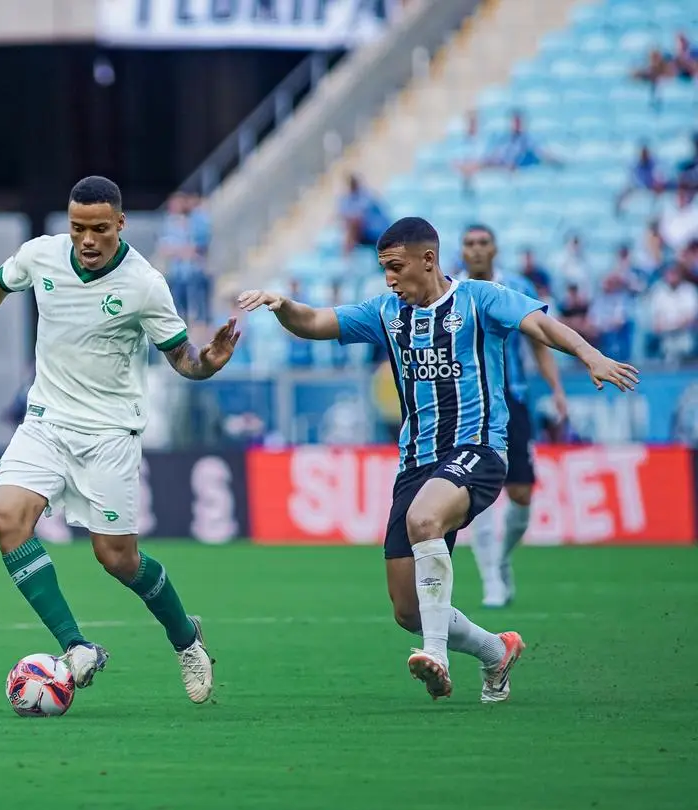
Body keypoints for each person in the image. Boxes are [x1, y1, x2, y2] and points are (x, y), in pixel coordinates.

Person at [237, 217, 638, 703]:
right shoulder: (387, 312)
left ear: (428, 260)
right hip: (416, 463)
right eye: (383, 268)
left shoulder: (479, 298)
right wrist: (283, 306)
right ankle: (495, 650)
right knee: (408, 609)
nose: (389, 278)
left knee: (424, 518)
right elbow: (317, 323)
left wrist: (589, 354)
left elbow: (540, 325)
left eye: (395, 267)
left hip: (479, 448)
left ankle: (437, 656)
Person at [0, 176, 240, 704]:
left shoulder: (145, 284)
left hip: (110, 434)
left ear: (120, 224)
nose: (88, 239)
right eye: (78, 228)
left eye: (99, 228)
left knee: (117, 559)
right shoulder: (42, 256)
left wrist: (206, 364)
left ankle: (186, 639)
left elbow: (182, 356)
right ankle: (75, 647)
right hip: (46, 421)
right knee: (4, 518)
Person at [457, 225, 568, 608]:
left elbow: (539, 340)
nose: (476, 250)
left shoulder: (516, 285)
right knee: (479, 493)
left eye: (483, 243)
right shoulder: (452, 290)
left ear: (495, 248)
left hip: (512, 400)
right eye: (469, 244)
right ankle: (491, 579)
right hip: (468, 404)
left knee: (520, 494)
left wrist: (556, 389)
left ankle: (501, 559)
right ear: (461, 250)